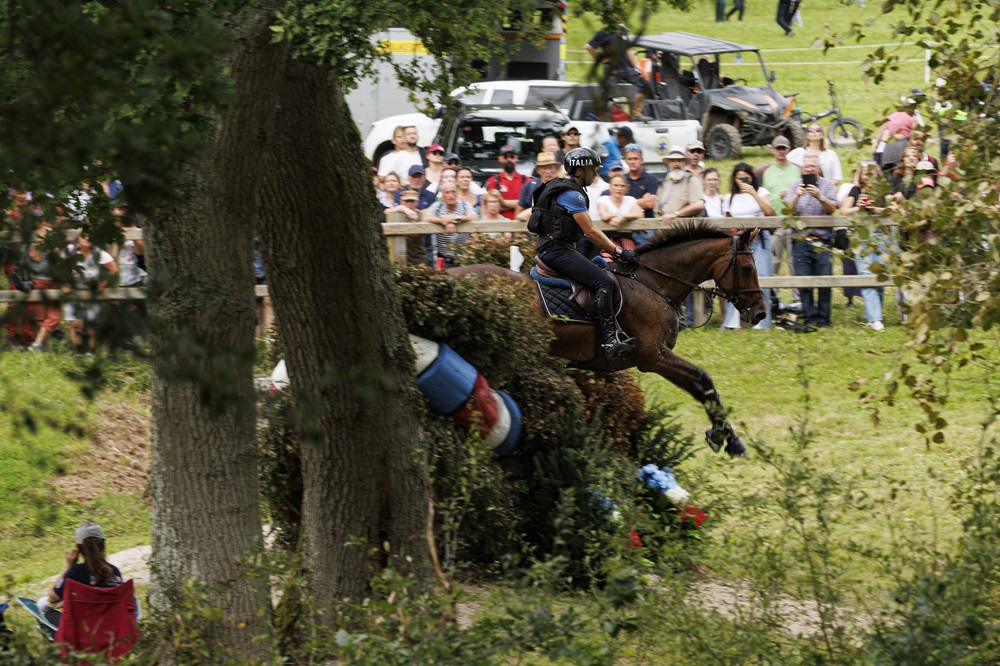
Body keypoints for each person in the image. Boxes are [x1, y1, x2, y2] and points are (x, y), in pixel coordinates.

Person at [531, 148, 638, 358]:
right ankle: (611, 341)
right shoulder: (572, 195)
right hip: (556, 251)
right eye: (592, 169)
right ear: (580, 171)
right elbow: (591, 232)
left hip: (558, 248)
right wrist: (618, 251)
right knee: (604, 283)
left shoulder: (568, 188)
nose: (595, 173)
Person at [784, 153, 839, 328]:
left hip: (822, 241)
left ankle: (824, 319)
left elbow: (833, 208)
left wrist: (819, 196)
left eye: (812, 167)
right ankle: (809, 318)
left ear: (818, 168)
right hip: (800, 241)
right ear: (802, 168)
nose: (809, 169)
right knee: (803, 282)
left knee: (824, 281)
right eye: (806, 166)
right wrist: (796, 196)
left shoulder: (827, 185)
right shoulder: (794, 186)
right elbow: (787, 210)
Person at [720, 163, 776, 330]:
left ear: (752, 177)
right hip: (739, 241)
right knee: (735, 279)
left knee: (763, 277)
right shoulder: (730, 197)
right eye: (739, 178)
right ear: (734, 180)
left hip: (759, 237)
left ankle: (762, 322)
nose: (743, 181)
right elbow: (727, 220)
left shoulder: (761, 192)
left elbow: (770, 212)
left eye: (746, 177)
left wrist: (753, 193)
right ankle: (731, 322)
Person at [656, 147, 705, 326]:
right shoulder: (665, 182)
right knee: (670, 279)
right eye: (672, 161)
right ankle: (677, 318)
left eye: (679, 161)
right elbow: (658, 209)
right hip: (667, 238)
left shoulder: (692, 180)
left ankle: (692, 319)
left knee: (687, 278)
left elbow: (699, 203)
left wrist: (676, 214)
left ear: (684, 163)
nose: (676, 164)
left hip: (686, 237)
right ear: (668, 163)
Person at [37, 523, 124, 624]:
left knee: (48, 614)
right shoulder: (115, 571)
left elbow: (52, 598)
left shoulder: (76, 572)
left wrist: (68, 565)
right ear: (103, 544)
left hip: (84, 631)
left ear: (78, 548)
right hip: (113, 628)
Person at [841, 162, 891, 331]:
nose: (868, 176)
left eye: (872, 173)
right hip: (860, 237)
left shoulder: (884, 191)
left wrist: (875, 208)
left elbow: (893, 209)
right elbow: (844, 211)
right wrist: (859, 207)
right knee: (866, 273)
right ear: (860, 175)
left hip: (881, 235)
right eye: (865, 173)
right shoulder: (855, 191)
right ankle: (876, 318)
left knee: (880, 274)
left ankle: (872, 316)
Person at [755, 136, 802, 310]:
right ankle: (773, 299)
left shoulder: (798, 170)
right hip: (773, 224)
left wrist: (790, 194)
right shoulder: (764, 171)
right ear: (772, 150)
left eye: (784, 147)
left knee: (793, 262)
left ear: (788, 149)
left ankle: (797, 299)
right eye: (778, 148)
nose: (781, 151)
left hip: (793, 222)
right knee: (773, 262)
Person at [585, 23, 653, 121]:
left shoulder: (622, 30)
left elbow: (628, 49)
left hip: (625, 68)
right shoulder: (603, 32)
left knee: (644, 85)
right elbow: (588, 47)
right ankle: (601, 120)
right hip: (612, 70)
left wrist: (637, 66)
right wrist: (601, 59)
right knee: (607, 96)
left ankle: (637, 114)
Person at [65, 233, 119, 355]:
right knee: (75, 323)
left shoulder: (99, 253)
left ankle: (90, 352)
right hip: (74, 292)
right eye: (83, 236)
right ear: (78, 237)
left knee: (89, 324)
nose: (87, 238)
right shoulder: (71, 251)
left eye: (90, 236)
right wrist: (64, 283)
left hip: (91, 293)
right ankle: (78, 352)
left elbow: (114, 269)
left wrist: (102, 284)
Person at [422, 183, 478, 267]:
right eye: (447, 192)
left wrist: (455, 218)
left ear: (457, 193)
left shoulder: (465, 205)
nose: (450, 195)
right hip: (443, 257)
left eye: (453, 192)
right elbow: (425, 218)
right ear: (443, 195)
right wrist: (443, 221)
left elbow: (475, 218)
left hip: (463, 256)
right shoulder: (438, 206)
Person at [597, 174, 641, 249]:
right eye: (616, 185)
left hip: (627, 238)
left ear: (626, 188)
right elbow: (604, 215)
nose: (619, 188)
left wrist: (621, 217)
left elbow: (639, 214)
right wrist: (622, 216)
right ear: (610, 187)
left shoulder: (631, 199)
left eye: (622, 186)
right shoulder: (603, 199)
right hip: (608, 239)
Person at [486, 145, 527, 220]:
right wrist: (519, 205)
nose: (509, 159)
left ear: (516, 158)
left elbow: (529, 205)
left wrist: (502, 202)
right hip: (499, 226)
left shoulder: (526, 180)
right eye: (505, 157)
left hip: (521, 225)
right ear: (500, 159)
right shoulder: (493, 180)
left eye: (512, 156)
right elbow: (491, 206)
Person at [516, 152, 561, 220]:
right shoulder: (529, 186)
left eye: (551, 167)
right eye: (544, 168)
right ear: (538, 170)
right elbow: (518, 213)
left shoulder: (562, 186)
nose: (548, 171)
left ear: (556, 169)